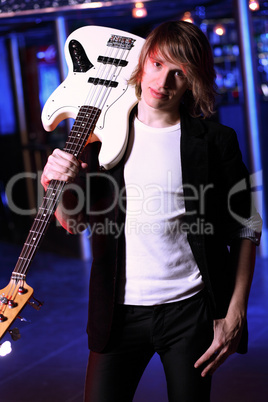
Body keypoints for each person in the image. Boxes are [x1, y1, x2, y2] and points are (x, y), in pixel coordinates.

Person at [41, 21, 262, 402]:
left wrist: (236, 311)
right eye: (158, 64)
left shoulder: (215, 141)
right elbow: (71, 221)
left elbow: (246, 225)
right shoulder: (100, 139)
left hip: (189, 311)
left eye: (180, 72)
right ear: (141, 63)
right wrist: (55, 183)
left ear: (193, 80)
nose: (164, 81)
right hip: (119, 312)